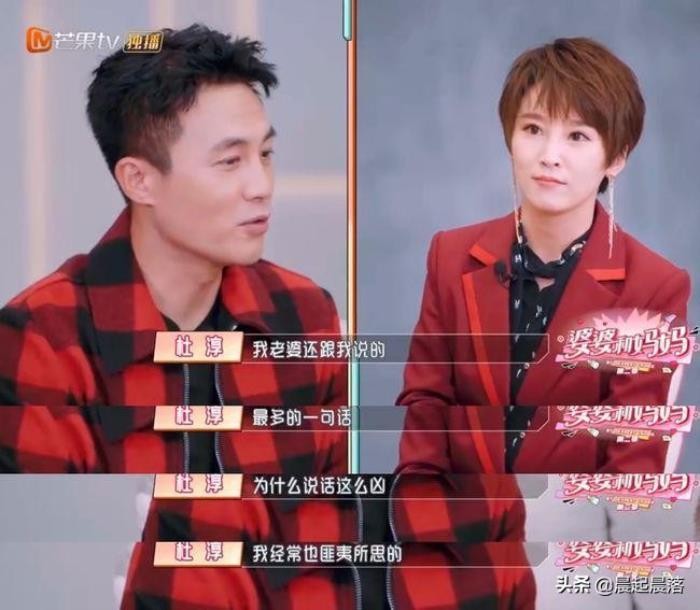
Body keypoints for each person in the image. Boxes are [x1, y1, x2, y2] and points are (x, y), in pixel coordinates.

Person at [0, 24, 357, 610]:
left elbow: (330, 544)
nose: (261, 186)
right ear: (139, 180)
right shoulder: (42, 338)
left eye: (266, 155)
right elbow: (61, 580)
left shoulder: (303, 316)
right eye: (230, 161)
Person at [397, 37, 691, 477]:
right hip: (456, 519)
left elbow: (631, 462)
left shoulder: (654, 287)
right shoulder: (451, 256)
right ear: (510, 138)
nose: (549, 156)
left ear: (616, 157)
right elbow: (426, 410)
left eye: (577, 136)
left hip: (581, 521)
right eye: (533, 129)